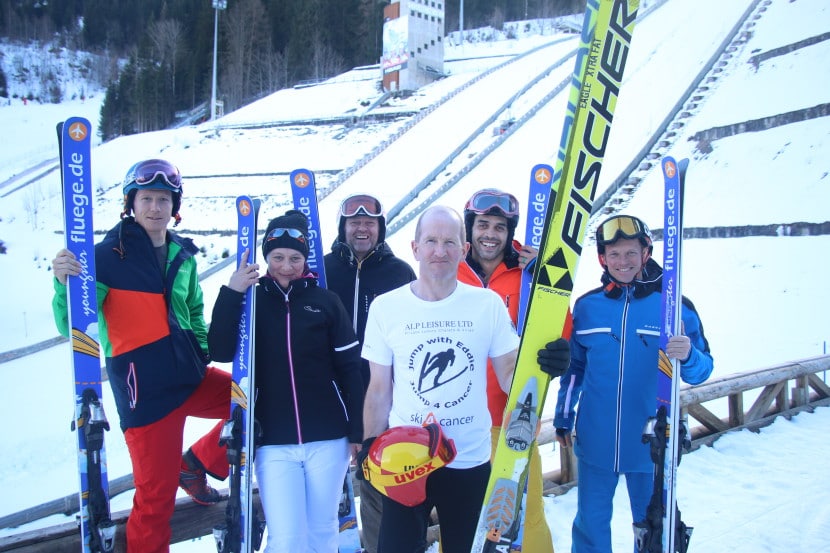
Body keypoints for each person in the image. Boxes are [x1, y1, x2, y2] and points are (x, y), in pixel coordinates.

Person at [357, 206, 570, 553]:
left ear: (463, 249)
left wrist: (544, 365)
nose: (439, 251)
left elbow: (508, 376)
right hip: (406, 457)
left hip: (469, 457)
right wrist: (369, 443)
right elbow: (379, 387)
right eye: (430, 241)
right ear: (415, 248)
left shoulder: (486, 305)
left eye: (448, 242)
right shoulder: (386, 307)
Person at [51, 159, 230, 553]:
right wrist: (63, 282)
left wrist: (199, 353)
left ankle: (197, 463)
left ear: (174, 205)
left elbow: (194, 311)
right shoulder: (105, 257)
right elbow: (73, 326)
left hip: (190, 378)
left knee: (258, 401)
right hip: (144, 393)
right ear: (131, 204)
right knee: (156, 499)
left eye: (163, 199)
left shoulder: (183, 256)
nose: (155, 207)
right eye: (146, 198)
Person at [553, 214, 714, 553]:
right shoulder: (587, 308)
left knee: (653, 524)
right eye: (614, 255)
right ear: (602, 259)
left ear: (645, 254)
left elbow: (701, 371)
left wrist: (689, 356)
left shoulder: (675, 308)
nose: (622, 262)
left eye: (630, 253)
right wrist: (564, 416)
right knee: (591, 523)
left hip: (651, 443)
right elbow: (575, 369)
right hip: (596, 439)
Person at [209, 209, 365, 553]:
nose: (286, 265)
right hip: (272, 441)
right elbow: (219, 349)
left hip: (328, 438)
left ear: (305, 259)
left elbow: (350, 369)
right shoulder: (251, 303)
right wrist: (232, 291)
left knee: (323, 530)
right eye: (277, 257)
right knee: (287, 537)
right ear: (266, 258)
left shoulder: (325, 302)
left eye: (295, 257)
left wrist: (357, 432)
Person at [456, 188, 554, 553]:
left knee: (525, 515)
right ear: (469, 228)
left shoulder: (525, 275)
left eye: (500, 227)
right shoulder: (450, 272)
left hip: (512, 419)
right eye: (483, 224)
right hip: (458, 424)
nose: (490, 234)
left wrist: (545, 280)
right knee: (461, 515)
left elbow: (560, 330)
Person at [324, 193, 416, 553]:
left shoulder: (399, 273)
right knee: (326, 489)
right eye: (354, 222)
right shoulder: (324, 268)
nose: (362, 228)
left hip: (382, 396)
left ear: (380, 229)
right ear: (343, 228)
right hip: (329, 394)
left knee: (379, 483)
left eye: (370, 223)